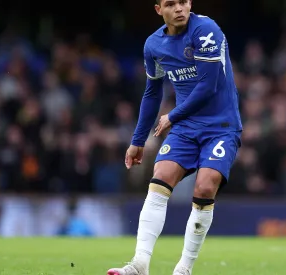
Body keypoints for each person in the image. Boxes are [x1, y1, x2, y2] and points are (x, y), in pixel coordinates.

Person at [107, 0, 242, 274]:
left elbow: (208, 85)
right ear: (159, 9)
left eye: (183, 2)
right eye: (171, 4)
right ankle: (140, 263)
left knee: (205, 187)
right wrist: (138, 140)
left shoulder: (206, 30)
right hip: (185, 129)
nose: (179, 8)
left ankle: (184, 268)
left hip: (221, 126)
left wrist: (172, 116)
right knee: (160, 177)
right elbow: (152, 93)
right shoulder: (153, 45)